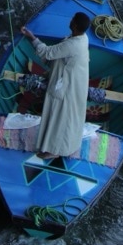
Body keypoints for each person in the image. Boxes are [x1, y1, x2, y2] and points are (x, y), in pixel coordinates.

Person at [21, 12, 91, 160]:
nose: (70, 20)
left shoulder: (72, 45)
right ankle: (57, 146)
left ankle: (55, 150)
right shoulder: (83, 39)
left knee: (59, 118)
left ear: (75, 26)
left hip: (66, 89)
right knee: (63, 118)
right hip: (74, 84)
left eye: (72, 20)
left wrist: (32, 37)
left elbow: (48, 53)